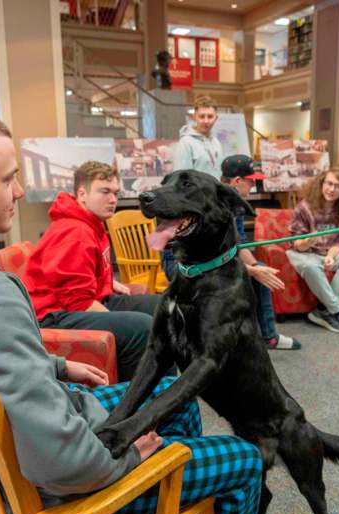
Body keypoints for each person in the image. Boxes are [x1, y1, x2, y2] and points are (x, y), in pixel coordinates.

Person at [0, 105, 263, 514]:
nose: (19, 191)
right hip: (57, 488)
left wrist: (53, 364)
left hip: (11, 450)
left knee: (171, 394)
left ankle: (177, 504)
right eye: (7, 179)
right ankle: (170, 492)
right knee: (246, 458)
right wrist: (135, 457)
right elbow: (61, 462)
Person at [23, 161, 159, 382]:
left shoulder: (92, 222)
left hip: (83, 299)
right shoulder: (75, 232)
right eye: (104, 192)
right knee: (141, 326)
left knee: (160, 307)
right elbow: (77, 302)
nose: (113, 199)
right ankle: (142, 403)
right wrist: (121, 318)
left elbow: (81, 272)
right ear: (82, 193)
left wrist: (106, 280)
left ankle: (167, 391)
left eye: (115, 193)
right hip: (52, 314)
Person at [219, 154, 301, 350]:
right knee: (255, 273)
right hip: (199, 264)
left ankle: (266, 335)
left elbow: (239, 244)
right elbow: (215, 256)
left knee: (261, 270)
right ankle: (264, 336)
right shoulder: (217, 206)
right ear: (237, 181)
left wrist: (256, 267)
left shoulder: (235, 203)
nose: (253, 187)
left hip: (220, 259)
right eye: (251, 182)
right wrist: (252, 270)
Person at [286, 167, 339, 333]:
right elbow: (296, 244)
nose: (332, 189)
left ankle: (322, 311)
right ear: (321, 184)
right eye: (329, 183)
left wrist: (331, 256)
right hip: (304, 253)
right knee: (311, 266)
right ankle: (338, 312)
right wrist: (307, 241)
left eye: (337, 186)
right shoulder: (305, 207)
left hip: (328, 251)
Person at [163, 95, 224, 276]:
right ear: (194, 117)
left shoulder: (216, 142)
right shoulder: (186, 143)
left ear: (216, 118)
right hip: (193, 206)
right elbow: (181, 181)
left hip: (210, 204)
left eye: (210, 116)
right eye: (202, 116)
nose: (206, 121)